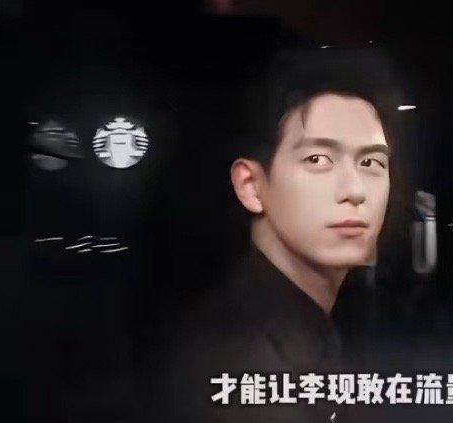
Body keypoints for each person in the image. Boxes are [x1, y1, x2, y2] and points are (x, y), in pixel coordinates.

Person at [141, 51, 398, 423]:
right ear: (251, 185)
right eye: (318, 160)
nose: (355, 190)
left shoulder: (315, 325)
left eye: (371, 162)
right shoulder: (234, 360)